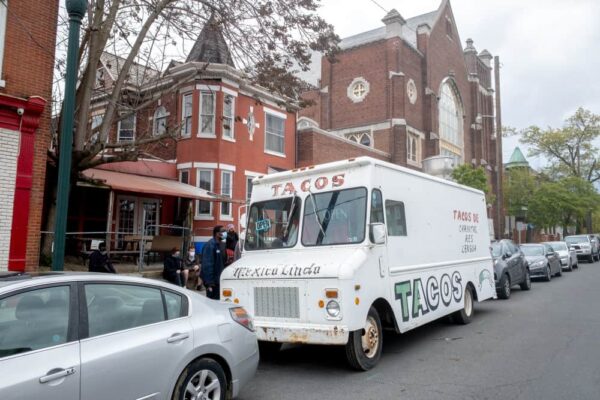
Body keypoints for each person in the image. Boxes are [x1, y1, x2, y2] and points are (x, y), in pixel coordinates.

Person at [201, 226, 225, 299]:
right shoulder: (210, 245)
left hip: (220, 281)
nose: (225, 233)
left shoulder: (221, 245)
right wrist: (209, 283)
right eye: (223, 231)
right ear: (217, 234)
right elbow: (207, 265)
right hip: (213, 283)